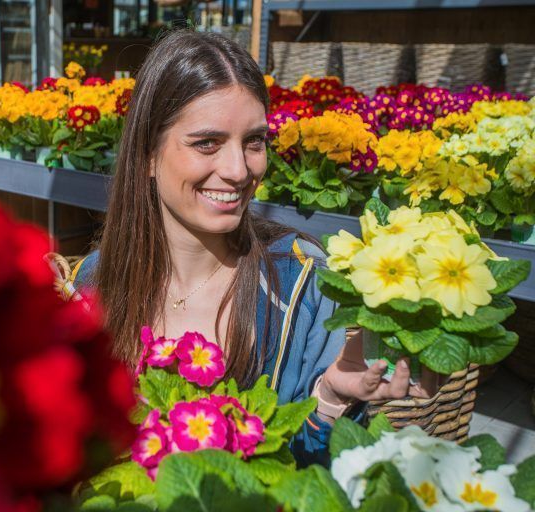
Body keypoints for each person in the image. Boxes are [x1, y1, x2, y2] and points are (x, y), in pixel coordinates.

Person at [69, 30, 435, 465]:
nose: (239, 170)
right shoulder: (93, 282)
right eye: (207, 142)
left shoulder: (305, 285)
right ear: (148, 153)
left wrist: (331, 398)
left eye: (254, 141)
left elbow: (315, 474)